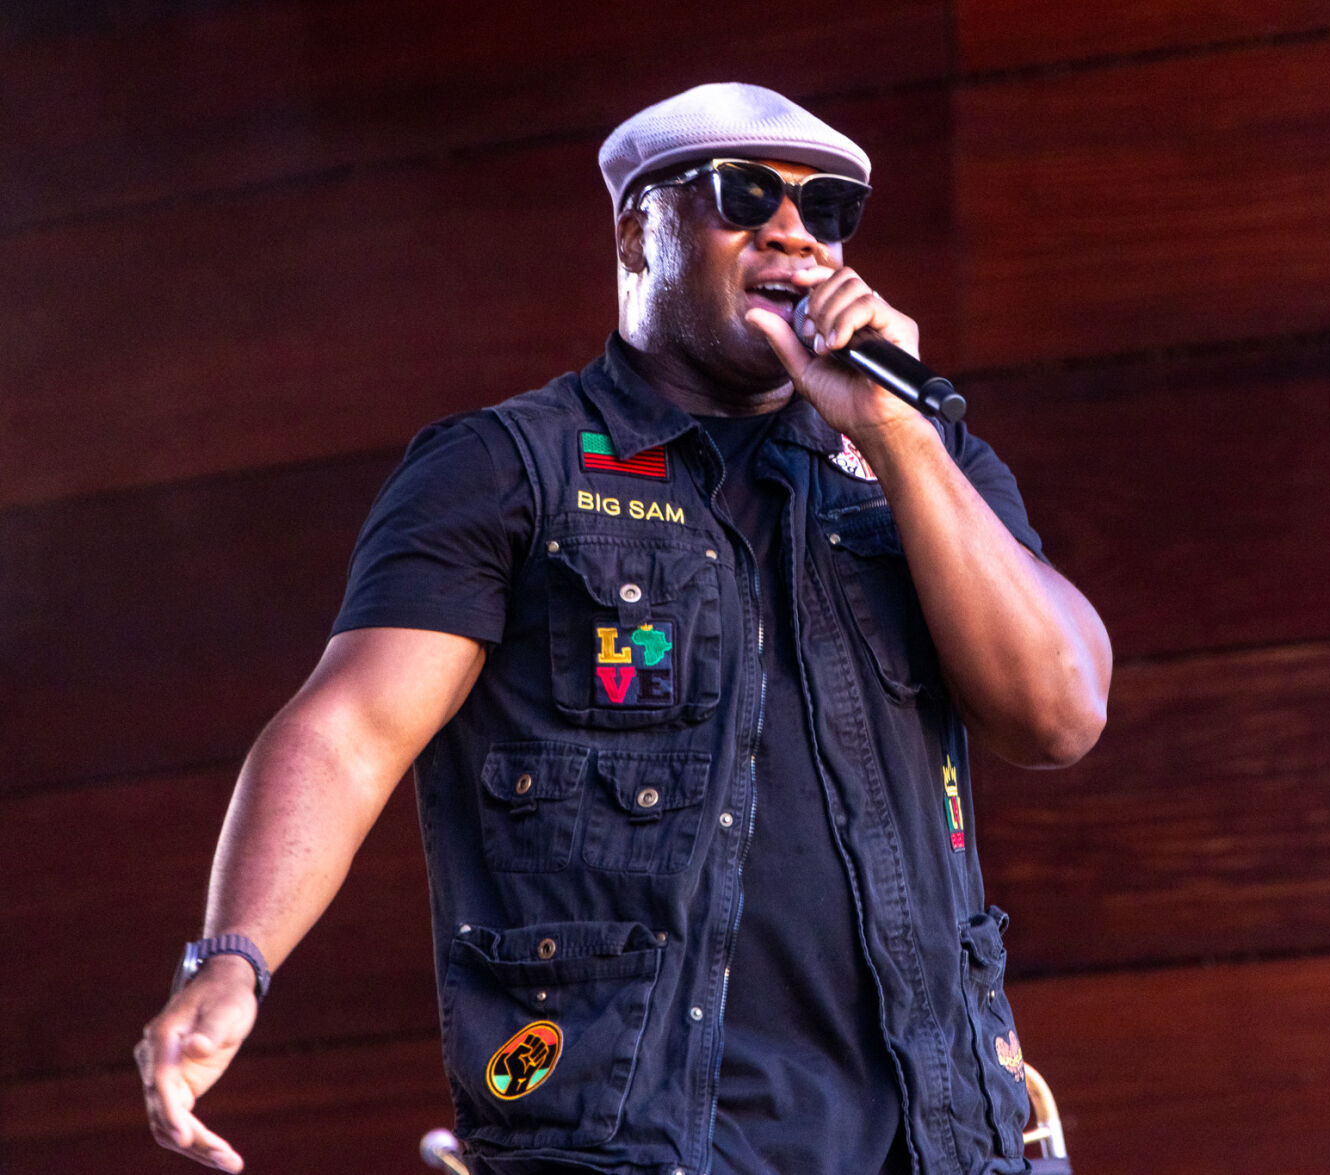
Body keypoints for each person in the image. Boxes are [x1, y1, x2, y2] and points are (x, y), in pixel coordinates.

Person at [136, 82, 1111, 1175]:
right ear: (635, 228)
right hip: (634, 1141)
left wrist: (895, 432)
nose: (793, 230)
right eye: (744, 195)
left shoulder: (923, 466)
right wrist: (233, 956)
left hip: (938, 1143)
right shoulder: (509, 468)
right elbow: (351, 728)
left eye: (826, 208)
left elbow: (1058, 711)